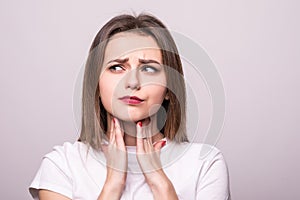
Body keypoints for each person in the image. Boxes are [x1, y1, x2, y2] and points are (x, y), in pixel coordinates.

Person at [29, 13, 230, 200]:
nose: (132, 82)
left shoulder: (205, 163)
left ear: (170, 88)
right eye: (116, 67)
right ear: (96, 85)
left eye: (148, 68)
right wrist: (113, 185)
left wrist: (160, 183)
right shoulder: (62, 164)